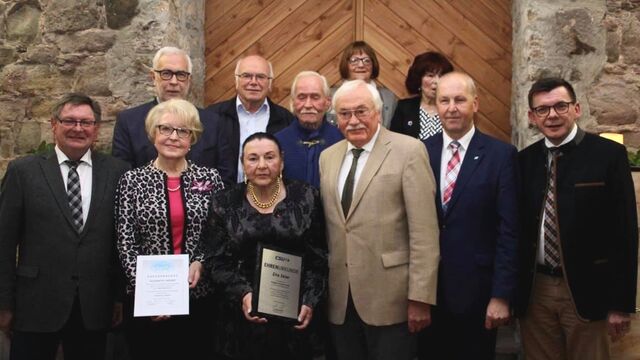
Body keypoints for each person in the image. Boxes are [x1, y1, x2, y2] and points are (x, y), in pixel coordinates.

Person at [0, 93, 129, 360]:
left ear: (96, 129)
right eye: (70, 121)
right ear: (54, 124)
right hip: (35, 305)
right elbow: (3, 241)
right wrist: (4, 303)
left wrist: (118, 297)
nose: (78, 128)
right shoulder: (23, 172)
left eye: (86, 122)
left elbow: (120, 241)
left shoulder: (117, 172)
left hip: (94, 307)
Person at [516, 77, 638, 360]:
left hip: (589, 290)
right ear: (532, 117)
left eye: (560, 106)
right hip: (537, 292)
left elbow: (625, 232)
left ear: (577, 109)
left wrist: (620, 303)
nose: (553, 115)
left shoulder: (608, 155)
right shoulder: (524, 161)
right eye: (543, 109)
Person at [319, 79, 440, 360]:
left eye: (361, 111)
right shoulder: (328, 157)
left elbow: (424, 233)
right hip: (341, 299)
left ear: (378, 112)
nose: (353, 121)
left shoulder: (409, 151)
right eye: (344, 114)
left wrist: (420, 298)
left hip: (392, 299)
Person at [115, 99, 225, 359]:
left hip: (198, 295)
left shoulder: (209, 179)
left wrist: (201, 261)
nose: (173, 137)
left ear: (192, 138)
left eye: (183, 131)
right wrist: (147, 291)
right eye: (165, 129)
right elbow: (125, 241)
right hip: (148, 300)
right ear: (153, 133)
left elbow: (219, 232)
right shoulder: (132, 181)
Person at [419, 72, 519, 360]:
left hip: (478, 293)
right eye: (444, 100)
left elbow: (509, 229)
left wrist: (501, 296)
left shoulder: (501, 155)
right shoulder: (420, 153)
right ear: (436, 105)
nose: (452, 108)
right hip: (429, 293)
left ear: (475, 104)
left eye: (459, 100)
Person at [205, 132, 327, 360]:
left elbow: (319, 257)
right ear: (242, 162)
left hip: (296, 316)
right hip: (240, 318)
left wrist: (309, 301)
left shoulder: (307, 197)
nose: (262, 165)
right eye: (253, 158)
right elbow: (217, 261)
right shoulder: (224, 201)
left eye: (269, 157)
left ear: (281, 160)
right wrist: (244, 294)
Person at [112, 46, 229, 176]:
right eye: (166, 74)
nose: (174, 82)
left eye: (181, 75)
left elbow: (225, 176)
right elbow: (120, 174)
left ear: (189, 80)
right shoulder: (129, 121)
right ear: (153, 77)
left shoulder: (213, 122)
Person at [207, 55, 294, 185]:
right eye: (247, 76)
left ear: (270, 83)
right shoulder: (214, 116)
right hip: (224, 198)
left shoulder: (286, 119)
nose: (253, 82)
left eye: (260, 77)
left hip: (270, 199)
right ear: (236, 81)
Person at [275, 71, 343, 188]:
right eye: (301, 97)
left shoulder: (342, 141)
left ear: (327, 102)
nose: (308, 105)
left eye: (315, 97)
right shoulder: (277, 143)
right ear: (293, 102)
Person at [328, 41, 397, 128]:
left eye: (366, 60)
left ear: (373, 65)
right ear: (346, 65)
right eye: (354, 60)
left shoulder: (388, 98)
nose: (361, 65)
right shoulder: (331, 96)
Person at [390, 51, 454, 139]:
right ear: (419, 79)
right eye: (430, 75)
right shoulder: (404, 107)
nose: (436, 81)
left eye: (441, 76)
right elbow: (393, 142)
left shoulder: (452, 108)